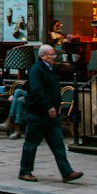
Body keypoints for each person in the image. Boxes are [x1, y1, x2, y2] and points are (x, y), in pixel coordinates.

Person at [18, 43, 83, 183]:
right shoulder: (36, 70)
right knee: (31, 143)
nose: (54, 57)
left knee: (58, 144)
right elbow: (37, 90)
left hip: (52, 115)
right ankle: (25, 171)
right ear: (42, 56)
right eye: (51, 55)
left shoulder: (51, 68)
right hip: (38, 113)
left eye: (54, 54)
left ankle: (67, 172)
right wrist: (48, 106)